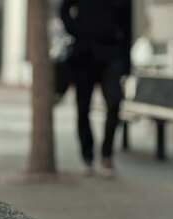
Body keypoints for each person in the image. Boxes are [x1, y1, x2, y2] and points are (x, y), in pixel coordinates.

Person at [60, 0, 132, 177]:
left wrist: (127, 64)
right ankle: (88, 157)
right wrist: (78, 30)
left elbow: (128, 25)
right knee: (83, 108)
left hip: (112, 55)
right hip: (85, 55)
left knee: (115, 103)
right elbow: (64, 10)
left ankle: (107, 155)